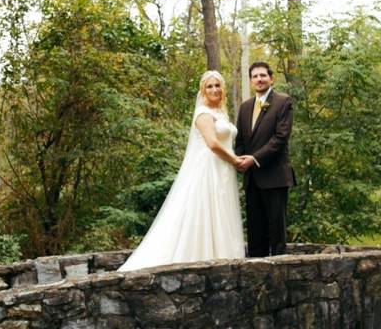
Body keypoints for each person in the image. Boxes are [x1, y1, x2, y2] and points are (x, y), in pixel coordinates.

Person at [119, 71, 246, 271]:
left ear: (223, 89)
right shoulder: (203, 113)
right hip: (209, 168)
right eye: (209, 86)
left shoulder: (222, 113)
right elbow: (212, 144)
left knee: (222, 212)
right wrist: (235, 160)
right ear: (203, 91)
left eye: (217, 85)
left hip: (223, 170)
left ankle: (224, 257)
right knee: (205, 212)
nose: (214, 90)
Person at [234, 61, 296, 257]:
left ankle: (279, 278)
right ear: (251, 81)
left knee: (277, 234)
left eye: (263, 75)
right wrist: (240, 161)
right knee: (255, 232)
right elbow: (241, 140)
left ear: (271, 78)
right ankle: (256, 275)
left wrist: (254, 159)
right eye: (255, 76)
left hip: (275, 177)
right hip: (252, 179)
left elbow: (280, 139)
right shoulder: (245, 108)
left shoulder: (283, 102)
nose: (259, 79)